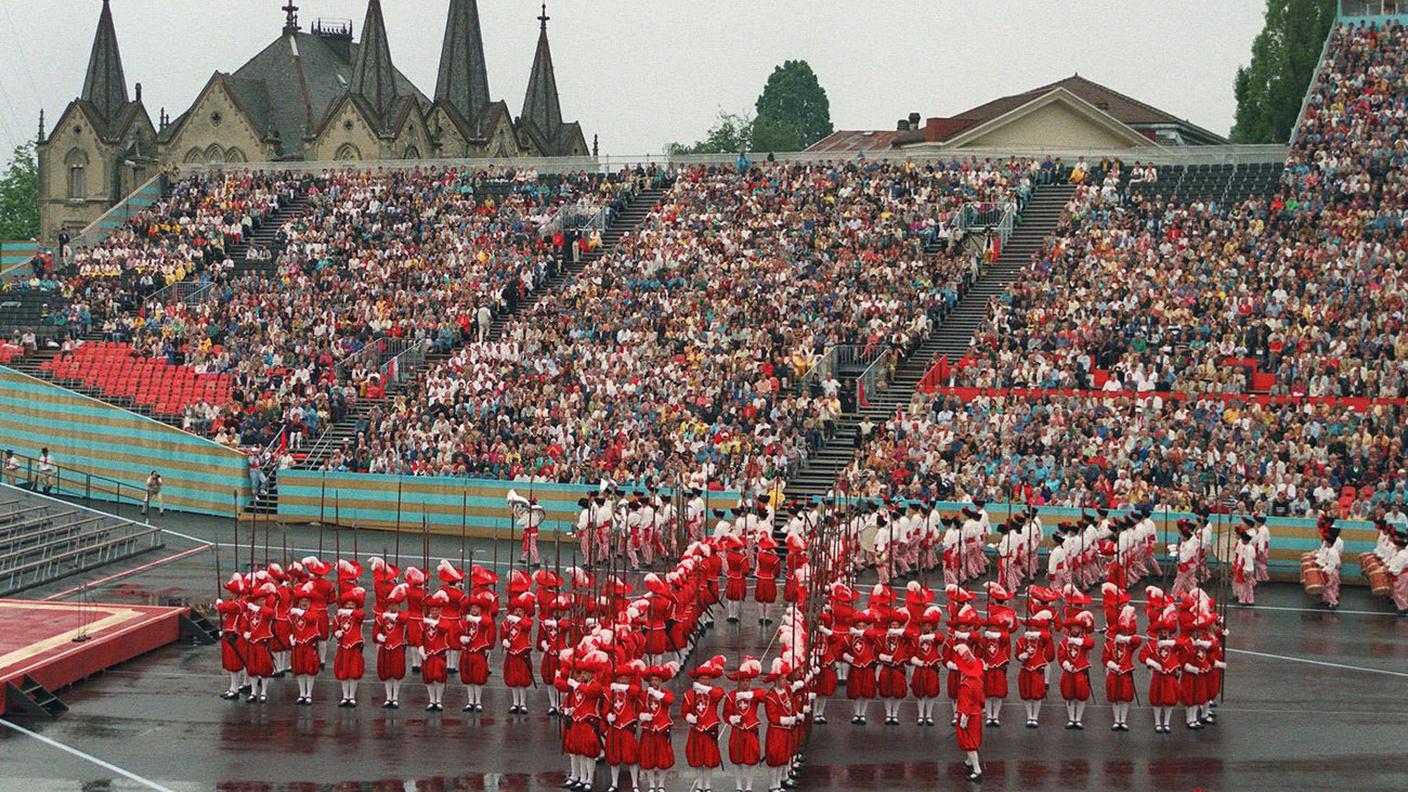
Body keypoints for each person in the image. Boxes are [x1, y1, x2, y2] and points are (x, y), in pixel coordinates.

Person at [682, 655, 726, 792]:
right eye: (702, 679)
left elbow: (718, 694)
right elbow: (684, 711)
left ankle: (707, 786)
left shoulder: (713, 692)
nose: (705, 681)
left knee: (709, 761)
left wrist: (703, 688)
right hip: (696, 731)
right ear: (697, 679)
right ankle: (699, 786)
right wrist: (690, 717)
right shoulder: (690, 694)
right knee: (698, 760)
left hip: (709, 731)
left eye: (707, 679)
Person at [723, 656, 763, 792]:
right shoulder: (731, 696)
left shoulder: (754, 694)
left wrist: (750, 695)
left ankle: (749, 786)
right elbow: (726, 714)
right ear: (738, 682)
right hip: (738, 731)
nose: (746, 684)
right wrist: (732, 719)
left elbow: (764, 696)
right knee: (737, 759)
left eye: (748, 681)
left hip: (750, 730)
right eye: (743, 681)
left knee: (751, 760)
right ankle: (739, 786)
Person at [604, 659, 643, 792]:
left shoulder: (631, 691)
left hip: (627, 727)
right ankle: (614, 783)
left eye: (626, 678)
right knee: (614, 757)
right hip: (615, 728)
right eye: (621, 678)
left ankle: (634, 784)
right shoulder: (611, 693)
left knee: (632, 757)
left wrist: (621, 687)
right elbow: (606, 708)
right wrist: (608, 715)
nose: (623, 680)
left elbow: (636, 692)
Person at [1102, 601, 1141, 731]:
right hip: (1114, 672)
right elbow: (1104, 659)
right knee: (1114, 698)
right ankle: (1116, 719)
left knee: (1125, 698)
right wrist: (1112, 665)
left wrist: (1125, 639)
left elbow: (1137, 641)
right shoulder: (1109, 645)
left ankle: (1123, 720)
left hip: (1125, 673)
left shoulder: (1128, 645)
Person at [639, 662, 678, 792]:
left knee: (663, 760)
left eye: (656, 680)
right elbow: (638, 710)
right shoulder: (644, 695)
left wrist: (656, 694)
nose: (654, 682)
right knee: (648, 759)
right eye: (652, 680)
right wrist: (643, 716)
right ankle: (651, 785)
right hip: (648, 730)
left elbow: (669, 701)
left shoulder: (666, 693)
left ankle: (661, 784)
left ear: (661, 681)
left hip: (662, 730)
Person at [762, 658, 799, 792]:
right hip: (776, 731)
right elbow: (772, 717)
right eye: (782, 678)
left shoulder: (787, 690)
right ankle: (773, 785)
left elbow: (791, 705)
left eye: (785, 678)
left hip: (785, 731)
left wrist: (795, 715)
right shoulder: (771, 696)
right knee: (775, 759)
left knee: (783, 757)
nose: (785, 681)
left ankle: (778, 783)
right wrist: (788, 720)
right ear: (776, 680)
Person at [952, 643, 986, 783]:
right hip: (976, 714)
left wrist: (963, 719)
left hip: (969, 716)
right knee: (973, 740)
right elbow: (981, 699)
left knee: (969, 743)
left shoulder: (966, 684)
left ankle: (977, 770)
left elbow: (965, 704)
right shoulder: (977, 680)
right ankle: (969, 761)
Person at [1057, 610, 1095, 729]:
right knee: (1069, 695)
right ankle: (1071, 718)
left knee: (1081, 695)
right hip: (1068, 672)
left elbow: (1090, 644)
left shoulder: (1084, 641)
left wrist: (1077, 641)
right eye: (1073, 628)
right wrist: (1065, 663)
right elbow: (1061, 656)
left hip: (1080, 671)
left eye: (1077, 628)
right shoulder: (1064, 643)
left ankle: (1078, 719)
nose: (1075, 630)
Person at [374, 583, 409, 708]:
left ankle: (395, 698)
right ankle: (388, 697)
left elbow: (403, 619)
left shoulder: (401, 615)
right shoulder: (382, 617)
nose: (393, 607)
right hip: (385, 647)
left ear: (399, 605)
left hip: (397, 647)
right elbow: (375, 632)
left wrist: (390, 615)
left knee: (397, 673)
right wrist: (379, 636)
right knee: (387, 673)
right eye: (391, 605)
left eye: (395, 605)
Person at [502, 592, 536, 713]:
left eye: (520, 610)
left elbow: (527, 626)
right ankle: (515, 703)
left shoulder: (526, 621)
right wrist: (504, 641)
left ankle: (523, 703)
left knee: (523, 680)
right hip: (512, 653)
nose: (518, 612)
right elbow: (504, 633)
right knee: (513, 680)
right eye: (516, 610)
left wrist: (516, 619)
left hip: (523, 654)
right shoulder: (509, 622)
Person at [332, 586, 367, 707]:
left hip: (354, 647)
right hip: (342, 647)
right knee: (343, 671)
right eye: (348, 603)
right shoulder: (339, 616)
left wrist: (348, 612)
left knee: (354, 672)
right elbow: (335, 628)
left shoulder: (357, 615)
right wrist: (337, 633)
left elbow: (360, 615)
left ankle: (352, 696)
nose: (350, 605)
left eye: (352, 603)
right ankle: (345, 696)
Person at [1315, 517, 1344, 609]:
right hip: (1330, 570)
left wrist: (1324, 569)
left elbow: (1332, 564)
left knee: (1327, 587)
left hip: (1331, 571)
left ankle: (1333, 601)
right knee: (1328, 587)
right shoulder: (1330, 549)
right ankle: (1328, 600)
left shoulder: (1332, 551)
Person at [1232, 529, 1258, 606]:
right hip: (1251, 568)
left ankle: (1242, 599)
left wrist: (1238, 567)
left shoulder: (1244, 548)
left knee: (1242, 585)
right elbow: (1253, 557)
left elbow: (1242, 559)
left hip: (1244, 568)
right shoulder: (1251, 548)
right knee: (1249, 586)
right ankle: (1250, 600)